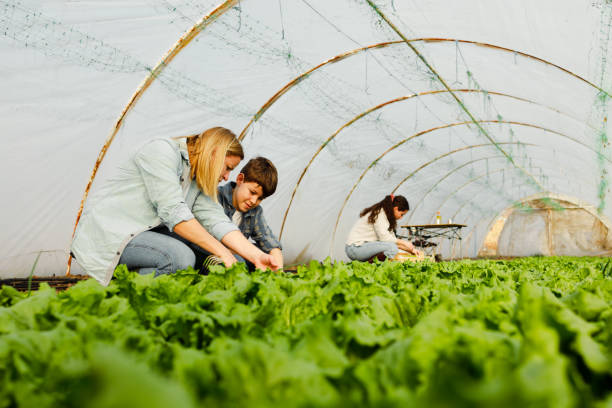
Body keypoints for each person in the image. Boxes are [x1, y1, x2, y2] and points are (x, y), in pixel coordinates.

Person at [71, 127, 278, 286]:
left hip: (148, 234)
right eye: (227, 168)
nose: (226, 177)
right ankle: (120, 294)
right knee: (179, 258)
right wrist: (222, 252)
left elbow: (217, 220)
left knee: (234, 260)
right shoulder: (161, 151)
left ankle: (180, 297)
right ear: (214, 153)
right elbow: (174, 214)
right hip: (114, 233)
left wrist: (256, 255)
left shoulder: (197, 179)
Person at [215, 157, 283, 270]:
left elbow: (270, 243)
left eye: (260, 198)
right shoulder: (216, 197)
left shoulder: (255, 212)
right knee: (240, 261)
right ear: (240, 179)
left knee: (265, 254)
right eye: (252, 192)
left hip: (235, 254)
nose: (253, 201)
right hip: (211, 254)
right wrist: (246, 253)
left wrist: (278, 270)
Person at [345, 194, 420, 262]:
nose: (401, 217)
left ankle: (368, 267)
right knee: (392, 249)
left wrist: (410, 250)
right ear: (396, 209)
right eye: (402, 214)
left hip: (361, 247)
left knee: (392, 247)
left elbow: (391, 240)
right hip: (354, 248)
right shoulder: (380, 214)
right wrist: (404, 242)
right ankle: (368, 267)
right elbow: (386, 239)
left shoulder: (387, 217)